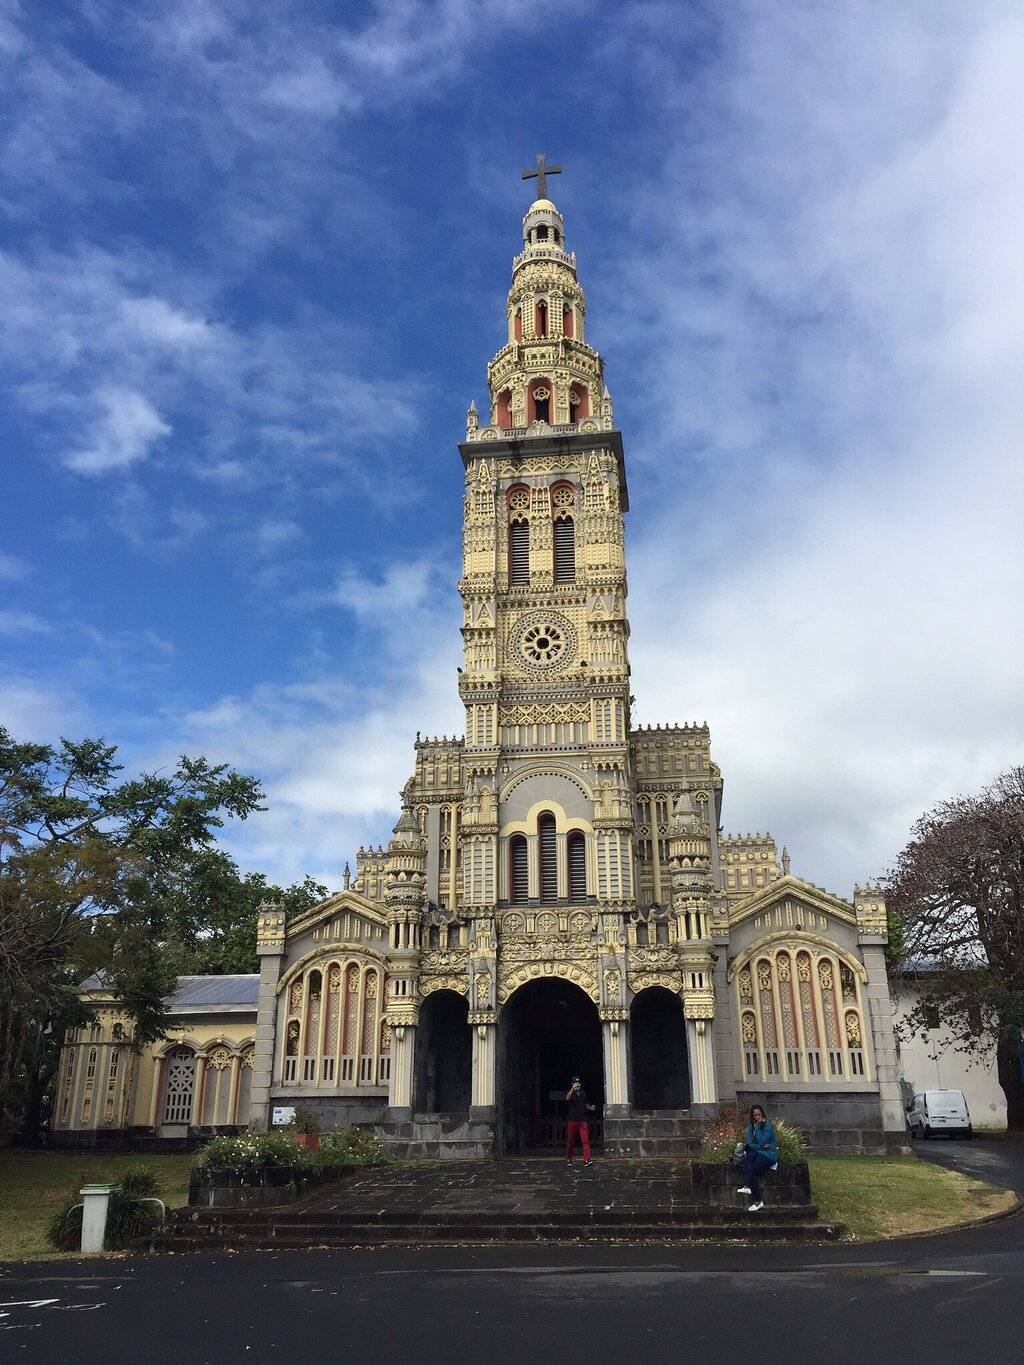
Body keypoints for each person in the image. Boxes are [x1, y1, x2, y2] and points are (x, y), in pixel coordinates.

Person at [736, 1104, 779, 1211]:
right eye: (755, 1115)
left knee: (753, 1171)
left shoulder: (767, 1125)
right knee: (748, 1157)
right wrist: (760, 1146)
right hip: (759, 1151)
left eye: (759, 1114)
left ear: (762, 1114)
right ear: (752, 1116)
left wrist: (759, 1128)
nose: (757, 1117)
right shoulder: (751, 1128)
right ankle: (747, 1186)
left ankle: (758, 1201)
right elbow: (750, 1144)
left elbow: (763, 1140)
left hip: (769, 1155)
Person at [565, 1075, 595, 1166]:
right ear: (573, 1084)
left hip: (582, 1120)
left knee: (585, 1140)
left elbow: (585, 1103)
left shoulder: (582, 1093)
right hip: (573, 1120)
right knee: (571, 1140)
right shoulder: (571, 1093)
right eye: (576, 1085)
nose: (578, 1087)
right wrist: (572, 1089)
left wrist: (590, 1108)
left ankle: (587, 1159)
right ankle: (569, 1158)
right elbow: (567, 1098)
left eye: (579, 1085)